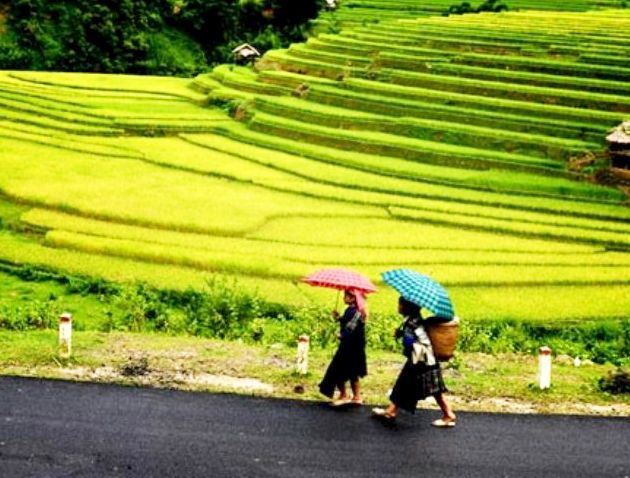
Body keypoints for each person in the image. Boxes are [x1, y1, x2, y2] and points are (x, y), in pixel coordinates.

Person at [372, 296, 456, 427]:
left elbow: (409, 342)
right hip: (422, 357)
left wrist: (403, 336)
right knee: (405, 383)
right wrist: (401, 333)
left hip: (422, 359)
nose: (398, 307)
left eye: (400, 305)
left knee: (434, 389)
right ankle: (391, 410)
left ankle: (448, 414)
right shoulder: (414, 319)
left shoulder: (411, 323)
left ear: (406, 307)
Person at [319, 289, 368, 406]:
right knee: (353, 371)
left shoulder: (353, 311)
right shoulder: (356, 311)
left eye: (346, 296)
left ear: (352, 298)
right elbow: (348, 321)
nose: (343, 298)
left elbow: (350, 327)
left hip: (348, 346)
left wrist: (342, 335)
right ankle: (356, 397)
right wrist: (339, 318)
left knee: (337, 369)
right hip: (356, 347)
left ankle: (343, 395)